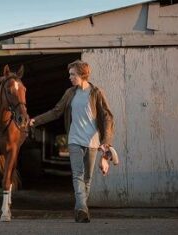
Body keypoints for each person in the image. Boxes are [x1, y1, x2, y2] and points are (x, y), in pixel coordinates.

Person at [29, 60, 115, 223]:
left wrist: (105, 142)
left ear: (82, 75)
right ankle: (82, 208)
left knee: (88, 178)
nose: (70, 77)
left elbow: (107, 117)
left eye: (72, 74)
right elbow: (56, 112)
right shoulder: (70, 93)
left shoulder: (96, 92)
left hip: (92, 141)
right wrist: (36, 120)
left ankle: (80, 207)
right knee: (78, 174)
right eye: (70, 74)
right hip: (74, 139)